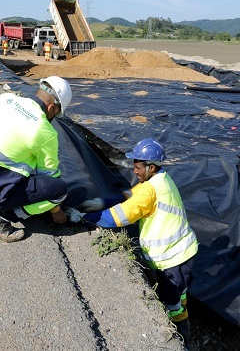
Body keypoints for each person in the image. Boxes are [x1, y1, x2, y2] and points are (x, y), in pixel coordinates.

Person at [79, 138, 198, 348]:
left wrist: (83, 217)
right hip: (183, 252)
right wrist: (102, 202)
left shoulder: (151, 190)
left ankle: (181, 341)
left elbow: (117, 218)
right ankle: (181, 314)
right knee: (180, 294)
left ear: (150, 167)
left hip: (171, 258)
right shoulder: (160, 179)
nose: (134, 171)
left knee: (173, 304)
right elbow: (130, 194)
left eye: (137, 167)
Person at [0, 76, 73, 242]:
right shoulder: (45, 131)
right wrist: (56, 212)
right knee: (58, 191)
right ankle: (0, 219)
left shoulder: (5, 99)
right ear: (52, 107)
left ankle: (0, 200)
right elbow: (50, 177)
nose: (54, 117)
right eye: (56, 113)